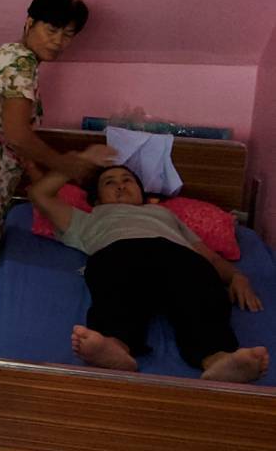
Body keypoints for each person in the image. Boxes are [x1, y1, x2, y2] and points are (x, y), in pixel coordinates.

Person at [0, 0, 108, 393]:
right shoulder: (21, 65)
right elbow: (17, 133)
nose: (59, 41)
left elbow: (7, 133)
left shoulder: (11, 55)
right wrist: (67, 164)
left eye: (68, 34)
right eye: (52, 29)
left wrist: (34, 171)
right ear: (30, 21)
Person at [30, 162, 268, 382]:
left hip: (177, 255)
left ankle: (218, 358)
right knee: (116, 291)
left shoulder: (164, 214)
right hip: (120, 252)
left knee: (200, 292)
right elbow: (40, 193)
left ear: (142, 193)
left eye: (127, 180)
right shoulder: (89, 218)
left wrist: (237, 276)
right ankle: (114, 347)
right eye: (109, 182)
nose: (121, 185)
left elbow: (211, 257)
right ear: (97, 200)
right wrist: (73, 163)